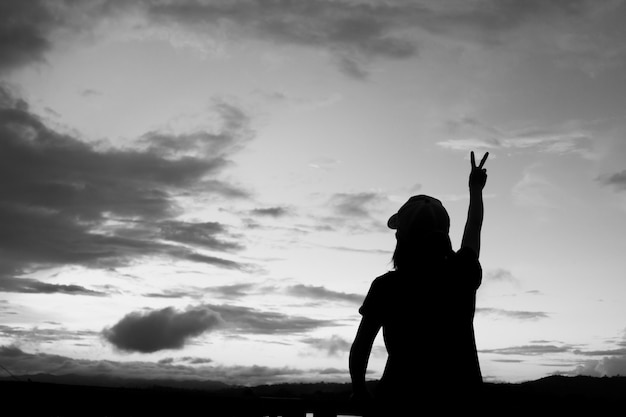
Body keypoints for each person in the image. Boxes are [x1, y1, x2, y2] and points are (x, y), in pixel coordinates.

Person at [349, 151, 489, 415]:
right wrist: (475, 190)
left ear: (402, 237)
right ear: (444, 232)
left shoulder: (387, 286)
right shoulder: (462, 274)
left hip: (400, 402)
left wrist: (359, 390)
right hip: (462, 404)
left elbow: (361, 346)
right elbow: (473, 230)